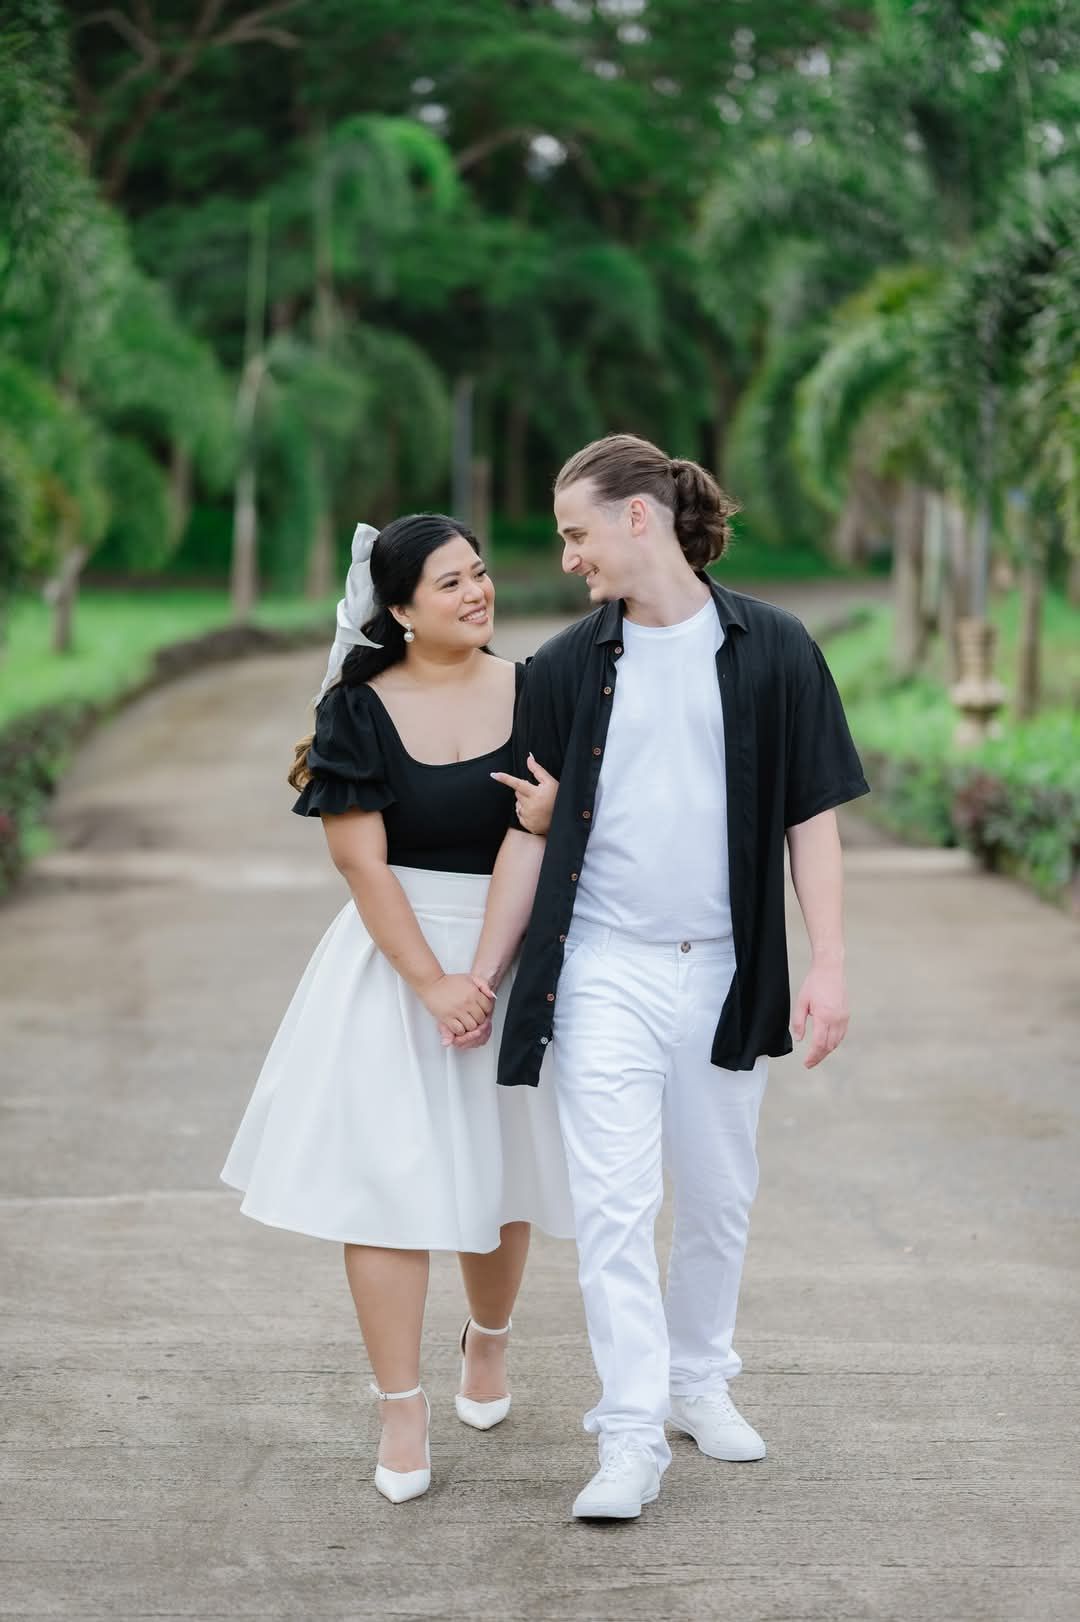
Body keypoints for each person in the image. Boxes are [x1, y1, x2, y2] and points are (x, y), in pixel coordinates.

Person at [460, 434, 870, 1520]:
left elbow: (811, 819)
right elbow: (530, 836)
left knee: (720, 1194)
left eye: (576, 533)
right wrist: (484, 976)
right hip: (602, 967)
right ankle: (630, 1433)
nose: (567, 557)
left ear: (637, 517)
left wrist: (828, 964)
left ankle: (699, 1379)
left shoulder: (776, 647)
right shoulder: (562, 668)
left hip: (729, 969)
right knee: (615, 1203)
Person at [221, 514, 574, 1506]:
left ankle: (489, 1339)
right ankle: (401, 1405)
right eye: (450, 581)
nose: (477, 591)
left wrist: (486, 976)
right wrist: (431, 982)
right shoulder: (357, 708)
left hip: (508, 948)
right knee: (386, 1185)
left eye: (481, 572)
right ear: (402, 609)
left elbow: (540, 834)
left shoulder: (538, 690)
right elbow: (360, 862)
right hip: (392, 961)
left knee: (501, 1172)